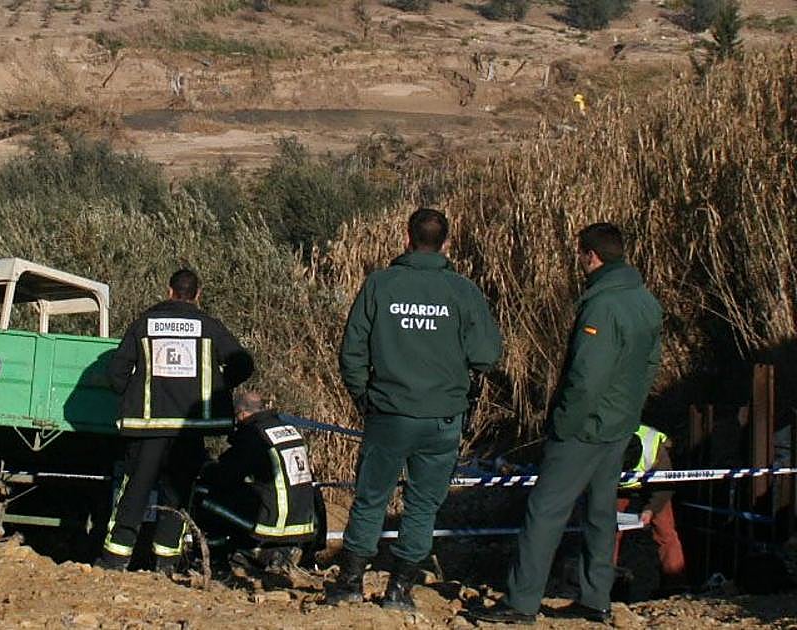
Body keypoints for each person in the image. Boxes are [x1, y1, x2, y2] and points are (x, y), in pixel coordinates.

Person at [470, 222, 662, 625]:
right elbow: (649, 366)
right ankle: (596, 599)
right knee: (600, 512)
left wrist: (563, 421)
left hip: (584, 429)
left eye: (580, 254)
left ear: (591, 256)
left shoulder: (601, 305)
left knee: (544, 512)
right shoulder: (645, 301)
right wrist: (628, 414)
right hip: (618, 426)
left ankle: (522, 602)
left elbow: (585, 377)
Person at [330, 208, 503, 610]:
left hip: (388, 414)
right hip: (442, 417)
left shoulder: (380, 285)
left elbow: (352, 352)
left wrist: (365, 399)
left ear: (407, 237)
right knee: (424, 505)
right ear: (446, 242)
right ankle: (400, 590)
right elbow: (486, 355)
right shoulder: (462, 292)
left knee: (371, 498)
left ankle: (351, 583)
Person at [98, 269, 254, 573]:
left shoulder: (144, 324)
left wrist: (128, 392)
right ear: (197, 293)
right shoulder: (209, 326)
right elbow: (243, 363)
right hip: (189, 430)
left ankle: (115, 559)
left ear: (169, 291)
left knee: (135, 491)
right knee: (178, 493)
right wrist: (218, 387)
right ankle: (166, 563)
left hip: (148, 427)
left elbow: (116, 372)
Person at [192, 391, 318, 574]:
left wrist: (206, 467)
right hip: (302, 519)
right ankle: (273, 552)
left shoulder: (254, 435)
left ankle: (215, 560)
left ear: (242, 413)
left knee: (207, 497)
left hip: (276, 520)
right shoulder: (285, 427)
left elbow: (226, 475)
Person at [614, 424, 686, 588]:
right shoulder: (601, 447)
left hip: (654, 483)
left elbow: (665, 486)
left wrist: (650, 509)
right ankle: (604, 582)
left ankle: (675, 583)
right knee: (606, 530)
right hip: (617, 488)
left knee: (666, 532)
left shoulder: (653, 447)